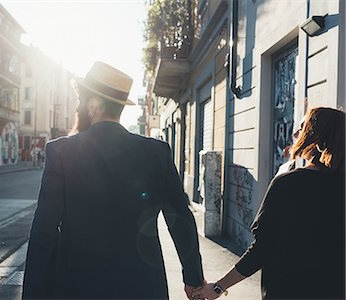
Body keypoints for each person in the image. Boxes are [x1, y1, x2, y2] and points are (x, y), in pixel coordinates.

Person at [22, 61, 205, 299]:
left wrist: (33, 294)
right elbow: (180, 219)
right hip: (143, 288)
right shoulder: (156, 153)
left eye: (81, 100)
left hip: (78, 288)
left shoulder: (61, 153)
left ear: (93, 106)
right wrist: (193, 279)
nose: (77, 108)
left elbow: (43, 233)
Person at [194, 107, 345, 300]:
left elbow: (261, 249)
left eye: (302, 128)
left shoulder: (287, 184)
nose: (295, 133)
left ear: (316, 141)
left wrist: (218, 287)